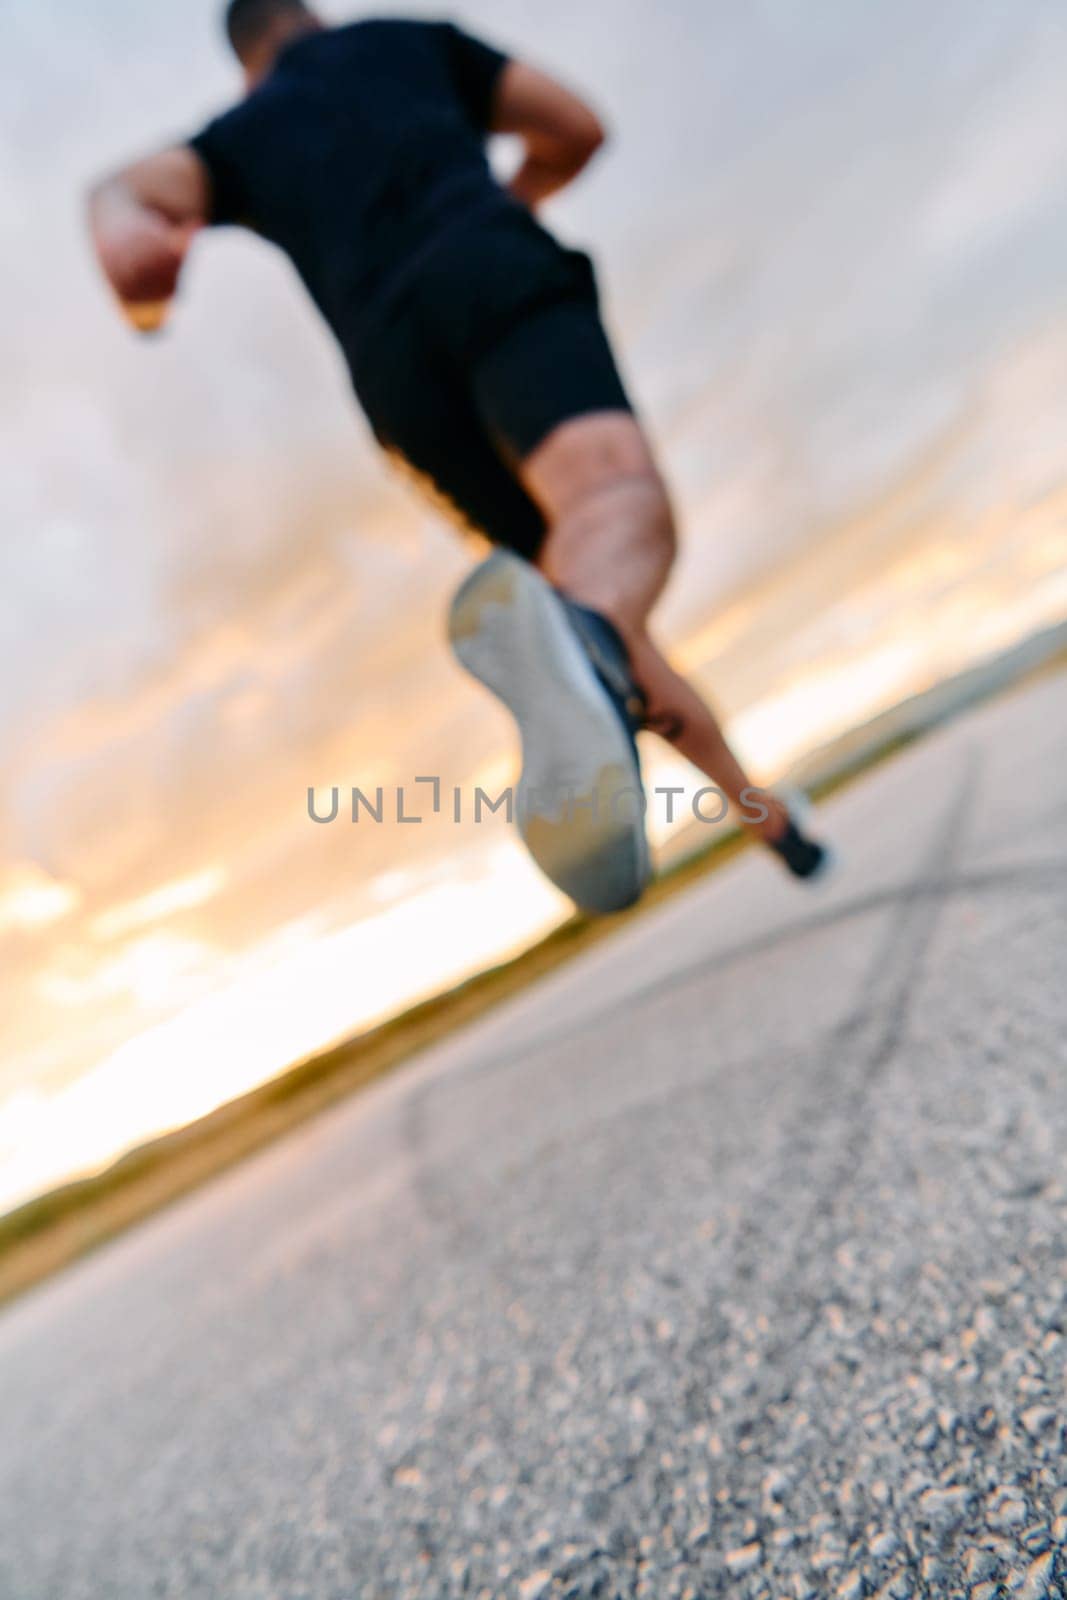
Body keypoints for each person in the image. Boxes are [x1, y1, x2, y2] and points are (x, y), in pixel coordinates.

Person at [87, 0, 831, 913]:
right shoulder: (410, 43)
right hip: (490, 274)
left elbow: (123, 190)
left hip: (398, 378)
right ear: (308, 15)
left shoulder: (238, 138)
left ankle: (772, 829)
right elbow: (576, 126)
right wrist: (510, 201)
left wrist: (129, 257)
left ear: (246, 63)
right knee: (612, 514)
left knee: (588, 610)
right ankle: (610, 675)